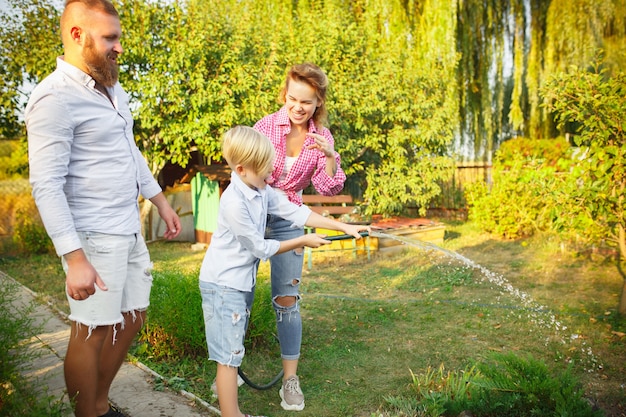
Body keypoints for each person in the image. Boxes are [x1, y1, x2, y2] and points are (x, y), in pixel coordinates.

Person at [24, 1, 182, 416]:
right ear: (78, 35)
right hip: (92, 235)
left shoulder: (114, 89)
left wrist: (161, 201)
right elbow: (46, 185)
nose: (118, 47)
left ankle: (98, 402)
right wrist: (73, 257)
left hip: (127, 227)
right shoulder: (53, 98)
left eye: (118, 37)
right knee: (93, 330)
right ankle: (90, 411)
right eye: (110, 38)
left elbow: (130, 153)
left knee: (132, 317)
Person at [199, 126, 369, 417]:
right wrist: (303, 239)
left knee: (232, 353)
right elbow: (259, 248)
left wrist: (345, 227)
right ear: (241, 169)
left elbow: (298, 212)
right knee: (228, 358)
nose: (271, 174)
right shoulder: (233, 203)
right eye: (265, 169)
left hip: (236, 284)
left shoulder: (260, 190)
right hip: (223, 286)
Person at [253, 62, 345, 410]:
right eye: (292, 98)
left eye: (306, 102)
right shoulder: (264, 127)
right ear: (285, 94)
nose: (297, 107)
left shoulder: (322, 137)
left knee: (287, 298)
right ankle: (227, 374)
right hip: (254, 217)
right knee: (239, 294)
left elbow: (328, 185)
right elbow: (245, 172)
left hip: (290, 219)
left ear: (318, 102)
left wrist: (329, 156)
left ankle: (290, 380)